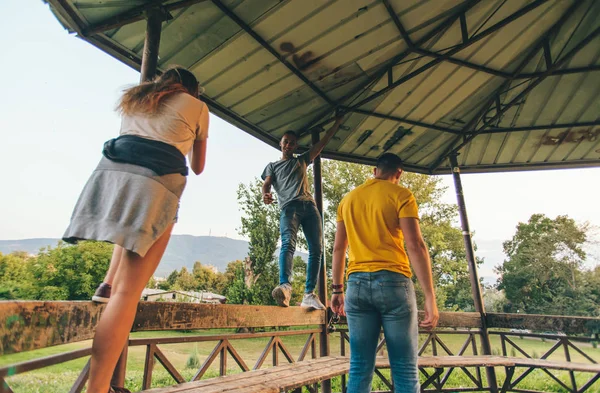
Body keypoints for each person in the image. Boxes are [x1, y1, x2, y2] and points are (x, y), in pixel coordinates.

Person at [62, 67, 209, 393]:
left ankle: (106, 282)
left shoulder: (138, 98)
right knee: (128, 296)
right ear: (192, 89)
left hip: (109, 172)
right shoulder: (198, 106)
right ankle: (97, 389)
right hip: (156, 181)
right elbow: (198, 167)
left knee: (130, 237)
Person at [330, 153, 439, 392]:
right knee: (404, 367)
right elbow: (415, 245)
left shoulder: (348, 200)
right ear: (399, 173)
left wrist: (337, 290)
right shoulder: (402, 195)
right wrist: (430, 296)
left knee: (359, 366)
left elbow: (339, 248)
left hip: (355, 285)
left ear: (374, 171)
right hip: (394, 282)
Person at [261, 115, 344, 309]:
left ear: (296, 147)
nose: (288, 145)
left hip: (310, 207)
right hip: (289, 208)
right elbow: (267, 183)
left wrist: (336, 124)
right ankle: (285, 287)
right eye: (285, 142)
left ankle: (308, 294)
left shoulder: (302, 161)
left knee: (317, 249)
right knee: (288, 243)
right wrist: (266, 194)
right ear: (280, 144)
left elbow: (320, 145)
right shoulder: (272, 166)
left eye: (292, 143)